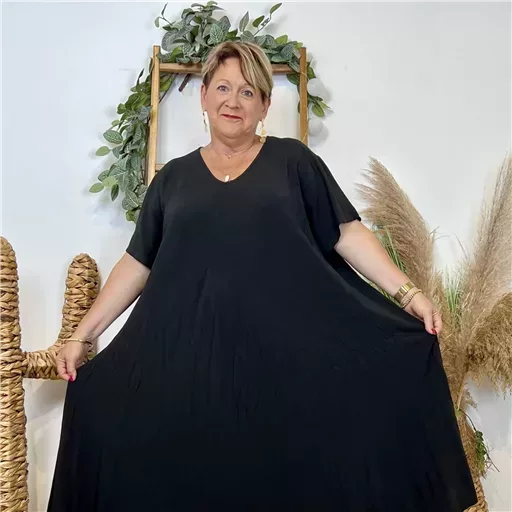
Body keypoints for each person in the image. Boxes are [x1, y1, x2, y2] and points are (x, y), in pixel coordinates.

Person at [48, 41, 478, 511]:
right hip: (196, 367)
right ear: (204, 96)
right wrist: (83, 334)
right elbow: (137, 263)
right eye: (223, 88)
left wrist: (409, 294)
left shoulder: (294, 162)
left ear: (265, 106)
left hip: (284, 362)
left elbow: (346, 233)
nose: (233, 101)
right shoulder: (172, 180)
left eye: (248, 92)